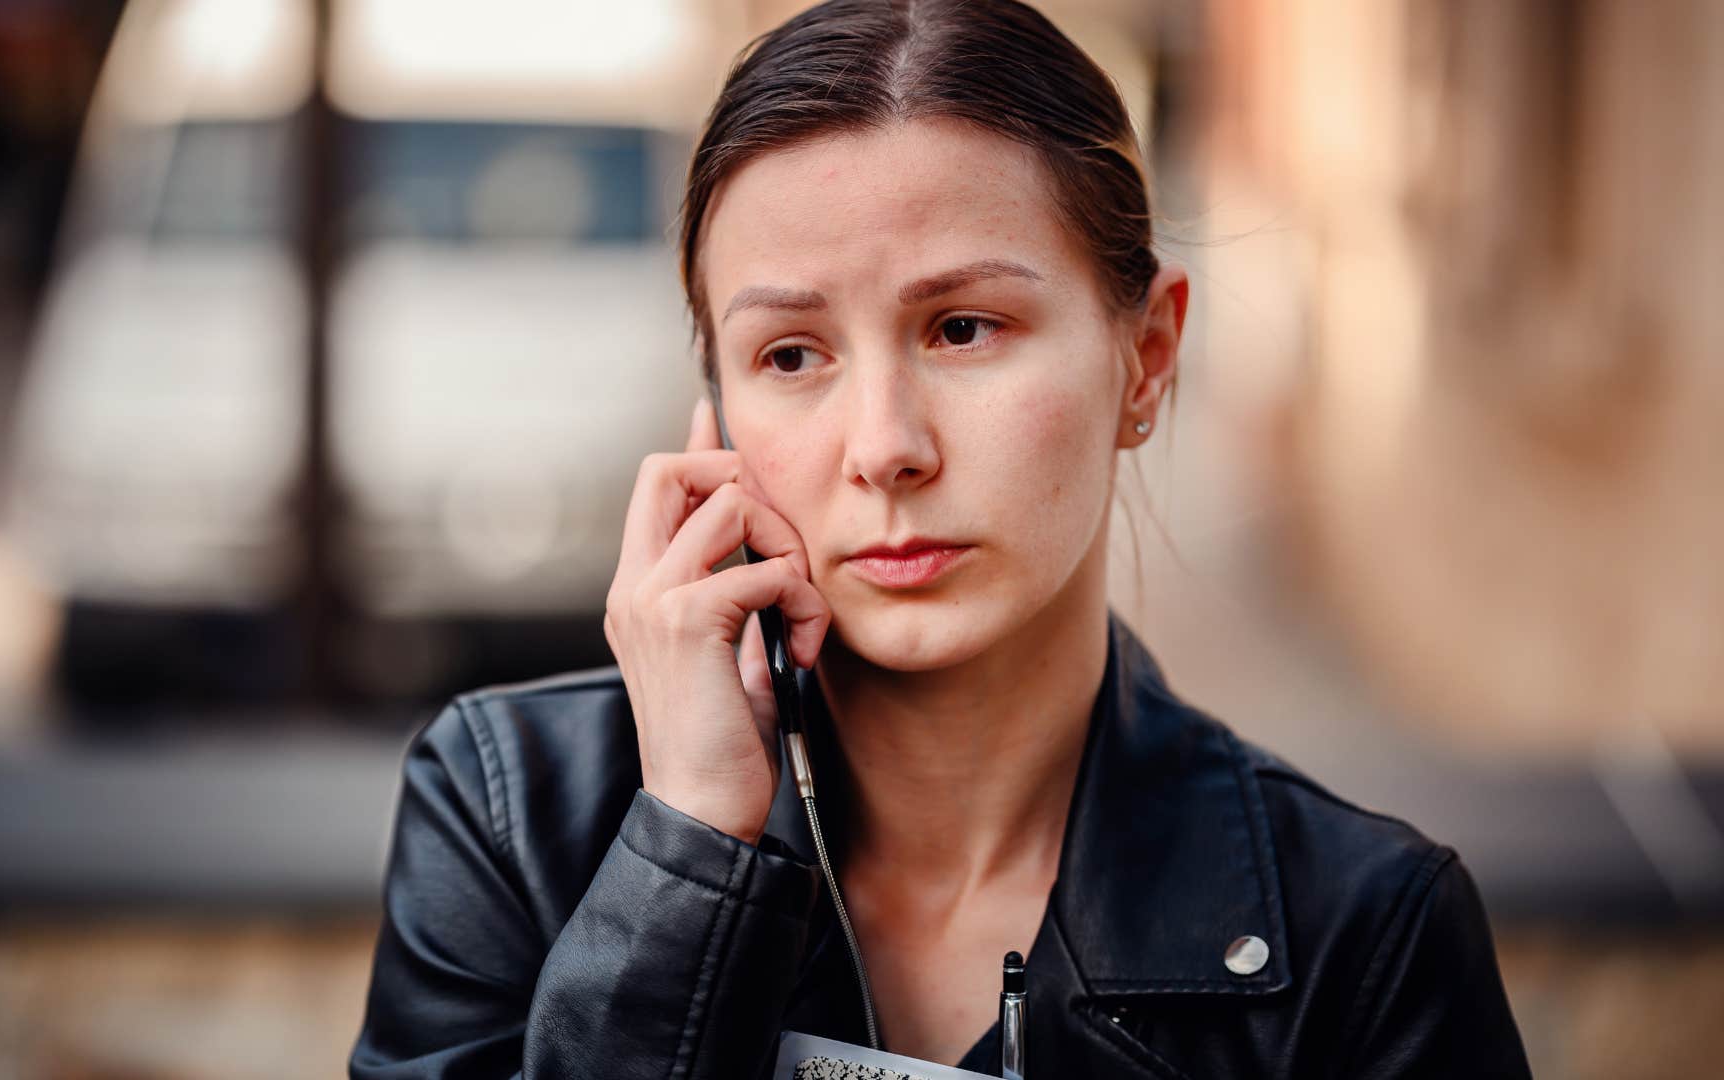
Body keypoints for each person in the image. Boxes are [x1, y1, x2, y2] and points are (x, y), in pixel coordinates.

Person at [349, 2, 1532, 1077]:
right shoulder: (510, 815)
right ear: (714, 415)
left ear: (1148, 358)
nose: (885, 447)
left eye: (964, 328)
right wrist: (692, 845)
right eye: (791, 356)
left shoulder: (1363, 938)